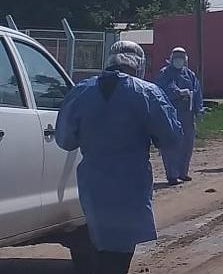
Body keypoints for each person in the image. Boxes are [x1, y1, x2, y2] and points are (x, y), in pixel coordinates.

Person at [55, 40, 182, 274]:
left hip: (93, 183)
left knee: (100, 243)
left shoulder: (81, 91)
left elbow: (64, 140)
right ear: (140, 64)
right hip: (130, 183)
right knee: (121, 252)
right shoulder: (148, 92)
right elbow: (171, 138)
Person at [155, 46, 203, 185]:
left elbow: (197, 92)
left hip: (187, 115)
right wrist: (178, 92)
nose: (179, 60)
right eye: (176, 57)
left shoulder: (190, 74)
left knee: (187, 144)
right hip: (170, 113)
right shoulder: (165, 73)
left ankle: (183, 172)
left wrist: (198, 109)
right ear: (171, 58)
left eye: (181, 58)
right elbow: (163, 88)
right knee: (171, 143)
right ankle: (172, 174)